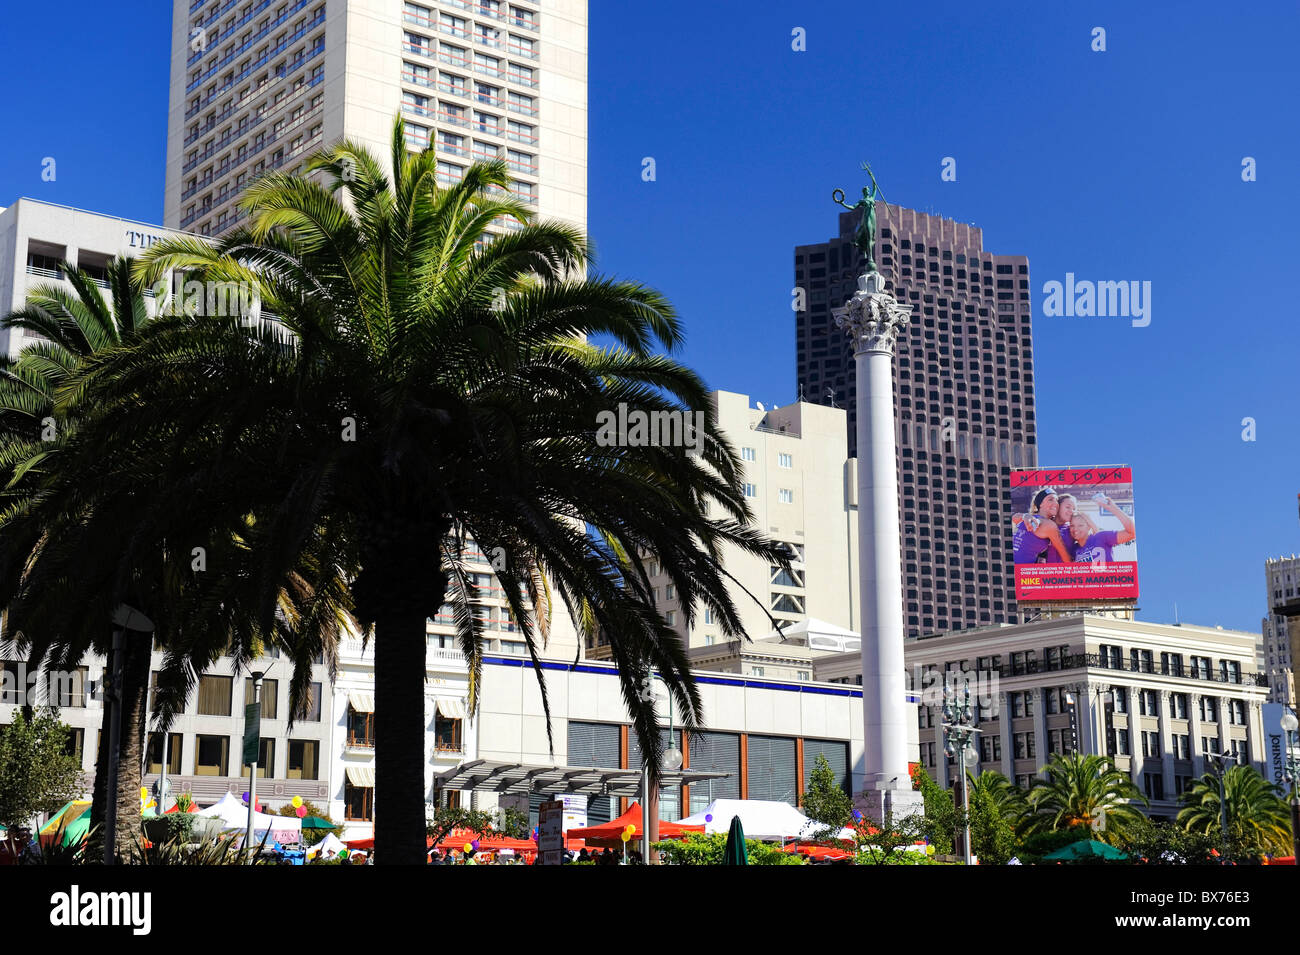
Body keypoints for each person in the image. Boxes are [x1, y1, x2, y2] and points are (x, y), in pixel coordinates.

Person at [1069, 493, 1136, 563]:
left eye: (1080, 525)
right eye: (1072, 526)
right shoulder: (1074, 549)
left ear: (1089, 527)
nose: (1075, 529)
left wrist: (1113, 508)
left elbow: (1132, 532)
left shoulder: (1101, 537)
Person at [1012, 489, 1073, 563]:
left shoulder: (1028, 519)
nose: (1055, 503)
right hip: (1022, 571)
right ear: (1040, 504)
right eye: (1050, 499)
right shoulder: (1048, 525)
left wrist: (1025, 515)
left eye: (1056, 500)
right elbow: (1065, 557)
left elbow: (1015, 517)